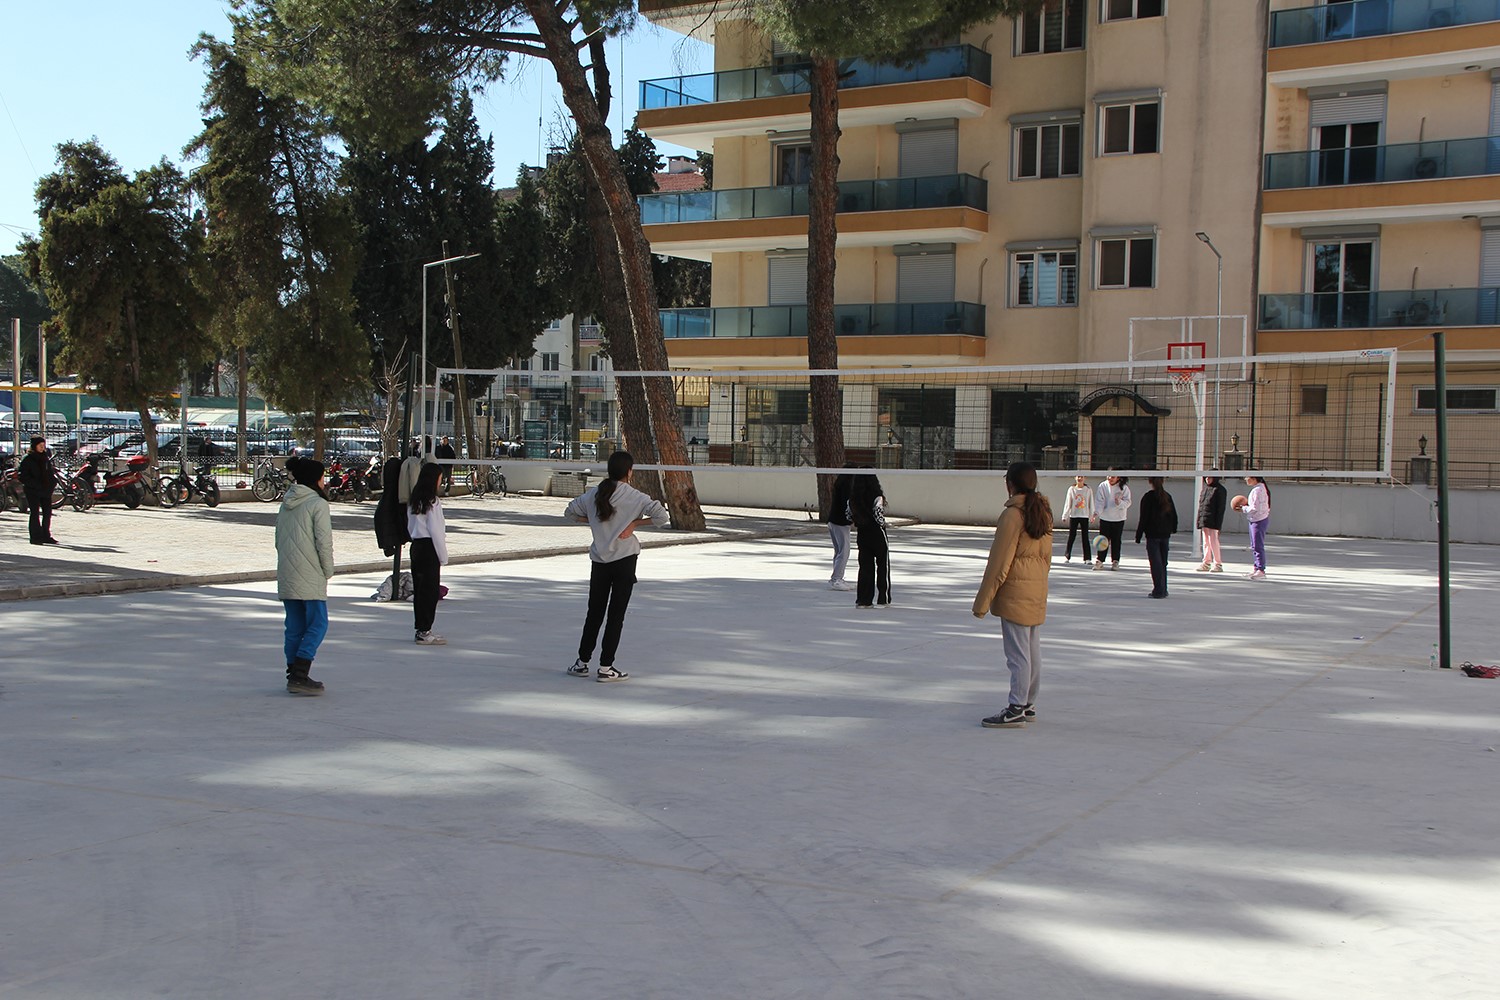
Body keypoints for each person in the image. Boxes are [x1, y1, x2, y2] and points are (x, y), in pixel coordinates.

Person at [565, 451, 670, 682]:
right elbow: (662, 517)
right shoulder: (636, 496)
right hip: (624, 560)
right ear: (629, 472)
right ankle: (606, 667)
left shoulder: (594, 494)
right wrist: (634, 523)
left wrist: (592, 521)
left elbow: (570, 511)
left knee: (594, 613)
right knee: (616, 615)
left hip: (599, 561)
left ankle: (582, 663)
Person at [973, 462, 1054, 728]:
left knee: (1018, 654)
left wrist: (982, 602)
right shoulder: (1042, 510)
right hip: (1035, 589)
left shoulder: (1012, 515)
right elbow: (1046, 558)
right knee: (1031, 650)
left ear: (1010, 484)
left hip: (1016, 593)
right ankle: (1028, 704)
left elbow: (999, 563)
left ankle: (1017, 707)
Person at [275, 457, 335, 695]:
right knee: (318, 623)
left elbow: (278, 538)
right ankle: (301, 672)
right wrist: (327, 570)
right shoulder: (317, 504)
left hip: (288, 570)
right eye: (323, 476)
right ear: (316, 479)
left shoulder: (286, 501)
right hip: (311, 571)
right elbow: (324, 542)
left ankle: (293, 672)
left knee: (295, 625)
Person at [407, 462, 450, 644]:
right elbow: (437, 530)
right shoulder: (433, 501)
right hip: (429, 547)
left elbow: (410, 526)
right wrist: (443, 556)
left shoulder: (414, 500)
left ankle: (421, 628)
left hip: (417, 545)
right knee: (430, 591)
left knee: (420, 589)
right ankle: (425, 631)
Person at [848, 470, 891, 608]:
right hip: (877, 534)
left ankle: (863, 600)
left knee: (865, 568)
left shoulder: (853, 498)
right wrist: (885, 523)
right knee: (883, 566)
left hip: (862, 534)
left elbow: (848, 516)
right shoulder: (877, 497)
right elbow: (878, 516)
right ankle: (883, 599)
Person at [1134, 477, 1179, 599]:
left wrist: (1139, 534)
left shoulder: (1148, 497)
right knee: (1163, 563)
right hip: (1165, 534)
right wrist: (1173, 528)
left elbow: (1144, 517)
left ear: (1150, 482)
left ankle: (1159, 590)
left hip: (1153, 534)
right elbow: (1173, 515)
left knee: (1156, 563)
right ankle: (1163, 588)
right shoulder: (1167, 496)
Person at [18, 436, 58, 545]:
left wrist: (52, 484)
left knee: (47, 513)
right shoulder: (28, 459)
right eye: (40, 446)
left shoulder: (45, 458)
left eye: (43, 446)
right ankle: (35, 537)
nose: (42, 448)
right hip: (33, 490)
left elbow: (50, 473)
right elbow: (22, 476)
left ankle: (46, 535)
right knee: (35, 513)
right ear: (34, 446)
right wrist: (34, 484)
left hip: (45, 490)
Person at [1094, 471, 1131, 570]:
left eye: (1113, 477)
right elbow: (1099, 501)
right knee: (1102, 540)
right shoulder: (1103, 486)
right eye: (1109, 476)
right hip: (1105, 518)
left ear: (1118, 477)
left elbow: (1128, 502)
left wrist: (1119, 503)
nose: (1110, 478)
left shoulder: (1124, 488)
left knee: (1116, 540)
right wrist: (1096, 512)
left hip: (1118, 518)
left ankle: (1115, 561)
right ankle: (1100, 561)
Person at [827, 465, 855, 591]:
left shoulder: (840, 484)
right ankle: (836, 579)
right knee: (844, 551)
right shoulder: (846, 486)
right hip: (840, 522)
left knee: (839, 551)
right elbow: (848, 504)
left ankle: (837, 578)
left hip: (833, 521)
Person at [1241, 474, 1272, 580]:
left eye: (1247, 477)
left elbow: (1254, 508)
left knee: (1257, 546)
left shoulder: (1257, 490)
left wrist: (1243, 508)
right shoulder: (1260, 488)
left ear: (1254, 478)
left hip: (1258, 520)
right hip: (1258, 519)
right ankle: (1257, 568)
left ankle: (1261, 570)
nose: (1245, 479)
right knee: (1255, 545)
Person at [1196, 475, 1228, 572]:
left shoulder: (1220, 490)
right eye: (1206, 477)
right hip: (1205, 520)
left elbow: (1220, 508)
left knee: (1213, 541)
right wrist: (1199, 520)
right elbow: (1201, 505)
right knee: (1206, 541)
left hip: (1213, 521)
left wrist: (1218, 523)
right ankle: (1206, 562)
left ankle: (1218, 563)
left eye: (1210, 477)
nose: (1207, 479)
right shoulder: (1205, 489)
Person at [1062, 474, 1094, 563]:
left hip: (1084, 516)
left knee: (1085, 537)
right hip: (1074, 515)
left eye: (1082, 477)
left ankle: (1087, 558)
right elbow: (1068, 503)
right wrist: (1065, 515)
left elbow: (1091, 502)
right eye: (1078, 476)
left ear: (1085, 478)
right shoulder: (1071, 489)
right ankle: (1067, 556)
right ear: (1075, 478)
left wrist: (1092, 515)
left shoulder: (1088, 489)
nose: (1080, 478)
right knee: (1071, 536)